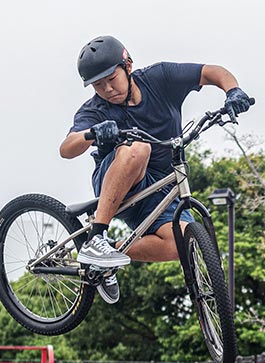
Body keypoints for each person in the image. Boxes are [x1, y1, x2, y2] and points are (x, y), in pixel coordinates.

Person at [59, 35, 251, 304]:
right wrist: (92, 133)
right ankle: (96, 238)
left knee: (181, 243)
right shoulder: (95, 109)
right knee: (139, 147)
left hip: (160, 190)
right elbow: (67, 148)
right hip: (118, 182)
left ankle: (108, 257)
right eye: (98, 86)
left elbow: (213, 72)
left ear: (127, 65)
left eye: (111, 79)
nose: (107, 90)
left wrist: (233, 91)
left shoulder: (160, 78)